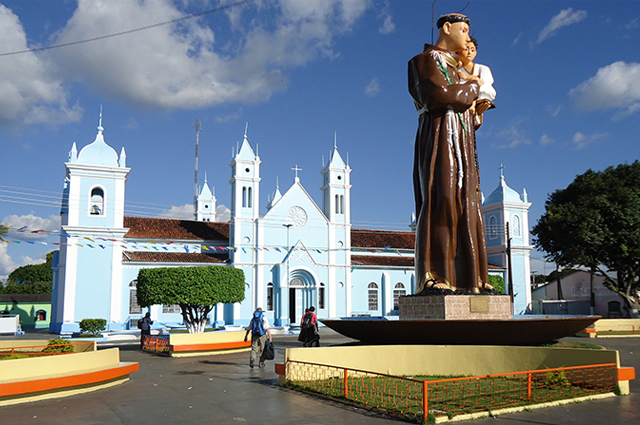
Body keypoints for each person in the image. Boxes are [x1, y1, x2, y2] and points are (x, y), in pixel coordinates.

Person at [408, 13, 489, 294]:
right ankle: (434, 276)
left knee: (467, 204)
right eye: (463, 30)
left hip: (463, 143)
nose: (468, 37)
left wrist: (469, 98)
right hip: (440, 137)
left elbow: (466, 106)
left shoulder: (459, 67)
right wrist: (473, 86)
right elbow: (437, 96)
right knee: (442, 199)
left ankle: (471, 280)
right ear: (446, 28)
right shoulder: (424, 61)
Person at [457, 36, 496, 127]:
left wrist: (468, 79)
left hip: (478, 92)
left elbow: (485, 83)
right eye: (466, 49)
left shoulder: (483, 68)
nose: (469, 52)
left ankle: (474, 105)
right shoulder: (456, 69)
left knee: (482, 89)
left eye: (472, 50)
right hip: (461, 96)